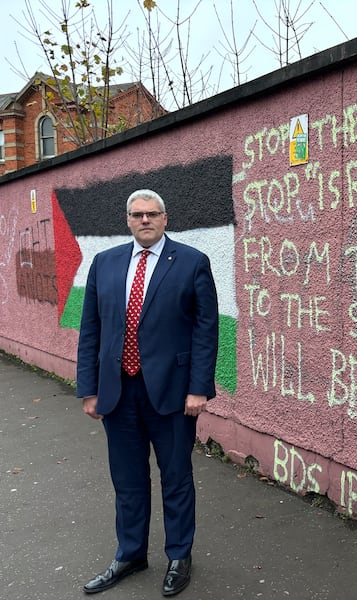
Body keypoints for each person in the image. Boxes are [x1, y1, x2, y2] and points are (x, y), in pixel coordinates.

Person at [76, 189, 219, 596]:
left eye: (151, 214)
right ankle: (131, 553)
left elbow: (206, 331)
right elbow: (91, 330)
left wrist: (198, 389)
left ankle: (178, 556)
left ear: (164, 218)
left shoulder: (191, 263)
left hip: (173, 395)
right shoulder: (105, 264)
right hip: (117, 392)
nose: (144, 220)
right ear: (127, 220)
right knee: (127, 479)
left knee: (176, 477)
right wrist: (89, 389)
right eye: (137, 214)